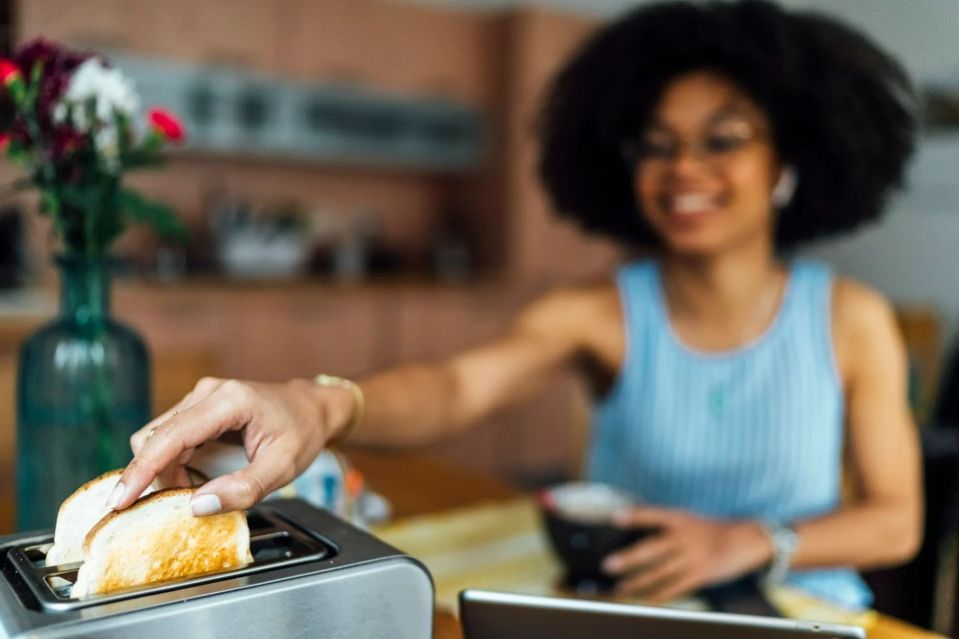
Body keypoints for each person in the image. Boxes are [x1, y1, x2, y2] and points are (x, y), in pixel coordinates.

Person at [111, 0, 922, 610]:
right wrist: (316, 402)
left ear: (788, 162)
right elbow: (455, 386)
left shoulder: (851, 318)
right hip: (630, 614)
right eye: (655, 142)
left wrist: (750, 540)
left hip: (804, 611)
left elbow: (895, 521)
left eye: (722, 138)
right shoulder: (597, 311)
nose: (683, 168)